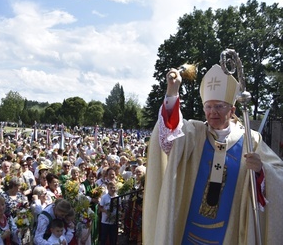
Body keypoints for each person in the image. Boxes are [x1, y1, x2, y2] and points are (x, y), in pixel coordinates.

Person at [142, 64, 283, 244]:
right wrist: (172, 92)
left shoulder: (251, 140)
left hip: (229, 233)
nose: (212, 112)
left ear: (232, 110)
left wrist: (261, 170)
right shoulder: (194, 133)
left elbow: (278, 174)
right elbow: (169, 139)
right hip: (188, 229)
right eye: (208, 107)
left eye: (219, 106)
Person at [99, 181, 119, 245]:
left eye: (114, 188)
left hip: (113, 221)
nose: (113, 189)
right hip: (105, 221)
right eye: (111, 188)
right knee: (103, 238)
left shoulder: (117, 197)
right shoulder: (104, 197)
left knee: (113, 239)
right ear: (108, 188)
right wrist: (106, 211)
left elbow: (120, 207)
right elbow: (100, 208)